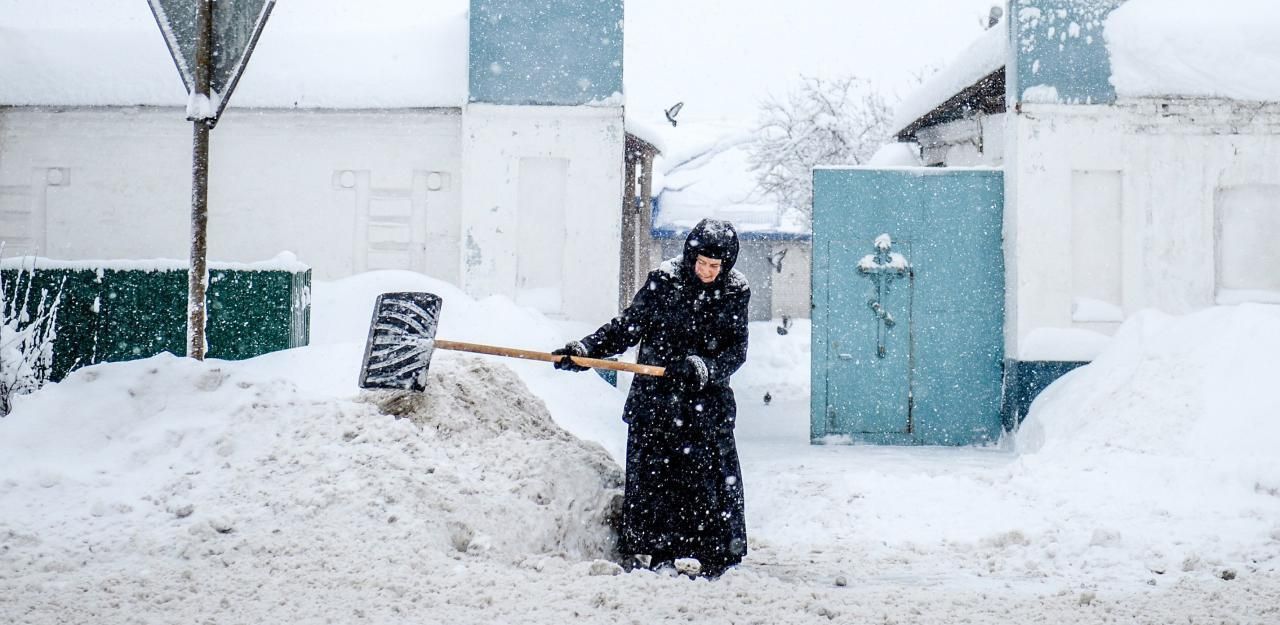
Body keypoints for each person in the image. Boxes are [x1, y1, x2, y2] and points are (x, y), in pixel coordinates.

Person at [551, 218, 749, 578]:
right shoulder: (665, 281)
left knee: (709, 484)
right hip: (657, 404)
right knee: (659, 483)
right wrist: (586, 350)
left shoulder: (735, 291)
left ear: (726, 265)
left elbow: (736, 351)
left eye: (714, 266)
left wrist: (704, 367)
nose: (706, 272)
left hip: (706, 406)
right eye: (701, 263)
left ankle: (716, 557)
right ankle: (661, 555)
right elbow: (628, 326)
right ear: (690, 257)